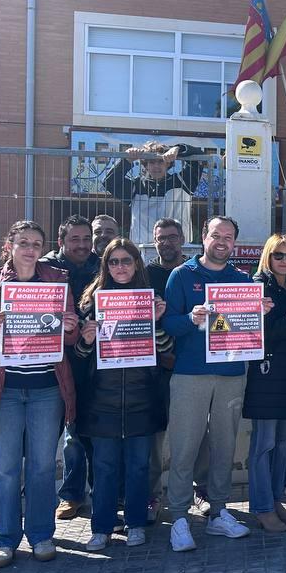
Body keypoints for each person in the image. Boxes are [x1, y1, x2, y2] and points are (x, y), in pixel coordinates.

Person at [0, 221, 79, 568]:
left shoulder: (57, 281)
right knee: (4, 468)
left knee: (44, 466)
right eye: (23, 243)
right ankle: (4, 540)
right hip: (5, 391)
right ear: (9, 246)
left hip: (47, 389)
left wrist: (71, 326)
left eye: (36, 243)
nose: (30, 249)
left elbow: (71, 340)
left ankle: (41, 535)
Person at [161, 215, 268, 551]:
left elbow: (250, 331)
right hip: (190, 374)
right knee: (184, 446)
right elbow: (167, 324)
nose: (222, 242)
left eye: (229, 237)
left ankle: (219, 512)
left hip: (231, 374)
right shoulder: (182, 275)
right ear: (203, 237)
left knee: (224, 445)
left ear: (234, 242)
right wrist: (190, 320)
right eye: (216, 235)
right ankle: (179, 517)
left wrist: (259, 312)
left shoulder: (242, 280)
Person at [74, 238, 169, 551]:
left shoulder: (151, 300)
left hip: (143, 398)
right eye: (113, 262)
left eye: (126, 261)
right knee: (103, 469)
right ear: (105, 266)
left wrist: (156, 323)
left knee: (139, 467)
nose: (120, 267)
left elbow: (168, 351)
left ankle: (136, 523)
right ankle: (101, 527)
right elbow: (79, 355)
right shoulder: (92, 301)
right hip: (102, 401)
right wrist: (86, 340)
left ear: (137, 263)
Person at [242, 235, 286, 533]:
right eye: (278, 255)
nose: (284, 260)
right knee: (264, 444)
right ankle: (261, 507)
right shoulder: (258, 287)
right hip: (266, 373)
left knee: (282, 443)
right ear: (268, 256)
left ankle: (275, 498)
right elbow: (266, 334)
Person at [144, 217, 204, 523]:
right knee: (155, 434)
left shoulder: (195, 271)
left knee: (199, 431)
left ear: (183, 238)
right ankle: (152, 495)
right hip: (155, 368)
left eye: (171, 236)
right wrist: (160, 353)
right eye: (160, 238)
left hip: (192, 365)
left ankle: (202, 491)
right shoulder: (145, 274)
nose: (166, 242)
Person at [42, 214, 99, 522]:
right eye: (75, 239)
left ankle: (99, 494)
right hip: (57, 358)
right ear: (61, 241)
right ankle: (72, 495)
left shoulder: (102, 265)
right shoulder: (46, 269)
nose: (82, 245)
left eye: (86, 239)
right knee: (71, 432)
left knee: (92, 431)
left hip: (95, 357)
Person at [103, 140, 206, 246]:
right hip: (142, 249)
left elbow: (200, 157)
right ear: (145, 165)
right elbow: (109, 182)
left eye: (160, 161)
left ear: (168, 163)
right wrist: (127, 160)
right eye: (152, 162)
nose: (156, 166)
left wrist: (178, 149)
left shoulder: (183, 181)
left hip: (178, 249)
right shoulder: (136, 186)